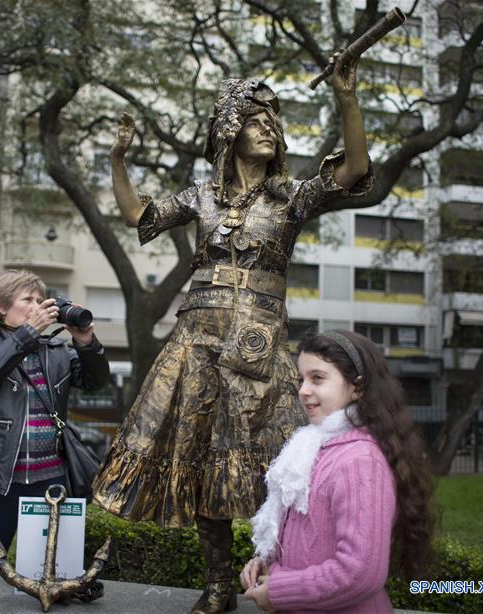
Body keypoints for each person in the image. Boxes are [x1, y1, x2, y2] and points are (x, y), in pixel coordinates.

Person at [92, 53, 374, 612]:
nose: (269, 127)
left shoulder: (290, 196)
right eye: (256, 118)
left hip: (261, 347)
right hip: (198, 340)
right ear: (229, 129)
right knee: (201, 461)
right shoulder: (202, 195)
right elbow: (138, 216)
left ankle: (290, 571)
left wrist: (346, 96)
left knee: (289, 466)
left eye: (275, 120)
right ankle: (218, 582)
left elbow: (353, 170)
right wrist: (119, 161)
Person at [239, 330, 435, 613]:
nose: (303, 390)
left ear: (357, 388)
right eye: (301, 379)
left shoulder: (359, 461)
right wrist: (268, 565)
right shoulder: (313, 447)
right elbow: (306, 540)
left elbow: (360, 573)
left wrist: (278, 591)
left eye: (317, 378)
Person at [0, 269, 110, 580]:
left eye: (40, 299)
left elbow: (96, 381)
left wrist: (85, 340)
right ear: (1, 306)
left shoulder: (56, 350)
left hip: (50, 479)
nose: (37, 305)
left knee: (54, 571)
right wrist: (26, 333)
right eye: (27, 299)